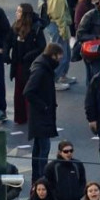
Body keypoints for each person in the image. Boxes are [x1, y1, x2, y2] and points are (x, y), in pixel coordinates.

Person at [24, 43, 63, 182]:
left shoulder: (42, 66)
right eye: (59, 57)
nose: (60, 60)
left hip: (40, 115)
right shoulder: (41, 70)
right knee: (43, 150)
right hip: (41, 116)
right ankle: (42, 179)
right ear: (53, 55)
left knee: (38, 148)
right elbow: (28, 91)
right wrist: (44, 106)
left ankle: (37, 177)